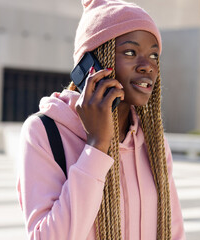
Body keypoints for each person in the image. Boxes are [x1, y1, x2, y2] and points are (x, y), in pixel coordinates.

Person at [17, 0, 186, 239]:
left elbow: (173, 230)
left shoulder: (153, 142)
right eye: (130, 52)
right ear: (92, 65)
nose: (147, 66)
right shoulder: (43, 132)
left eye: (154, 55)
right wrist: (96, 145)